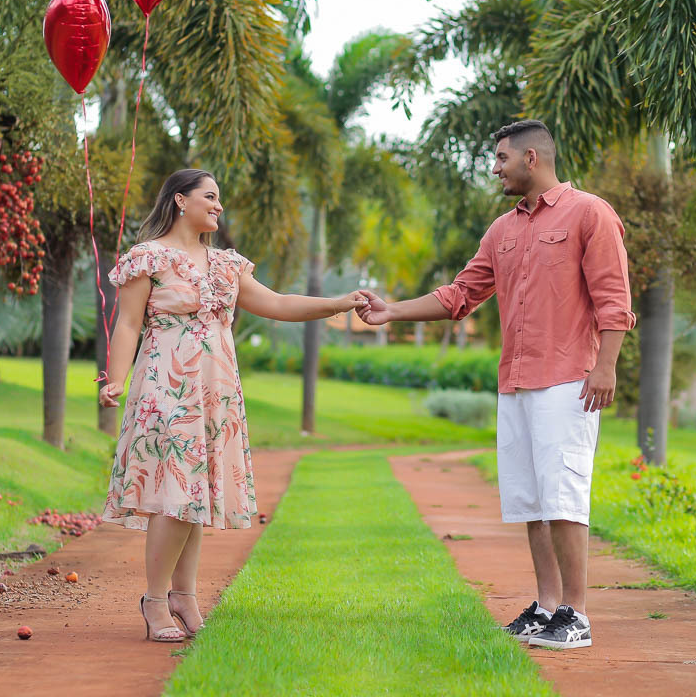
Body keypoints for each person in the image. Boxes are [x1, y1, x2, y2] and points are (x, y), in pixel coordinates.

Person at [356, 120, 635, 650]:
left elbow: (613, 297)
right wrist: (392, 311)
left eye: (502, 158)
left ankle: (576, 614)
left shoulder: (590, 213)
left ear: (532, 158)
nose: (495, 168)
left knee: (564, 497)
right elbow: (460, 294)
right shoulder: (502, 230)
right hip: (516, 381)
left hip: (568, 380)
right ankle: (546, 607)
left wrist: (607, 366)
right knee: (531, 502)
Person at [98, 168, 366, 643]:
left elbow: (279, 304)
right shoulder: (149, 258)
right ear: (180, 200)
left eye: (219, 198)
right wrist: (115, 379)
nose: (218, 206)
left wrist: (339, 304)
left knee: (195, 493)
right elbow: (128, 324)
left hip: (215, 390)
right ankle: (155, 600)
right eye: (210, 196)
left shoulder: (226, 265)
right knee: (175, 492)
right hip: (166, 385)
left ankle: (184, 596)